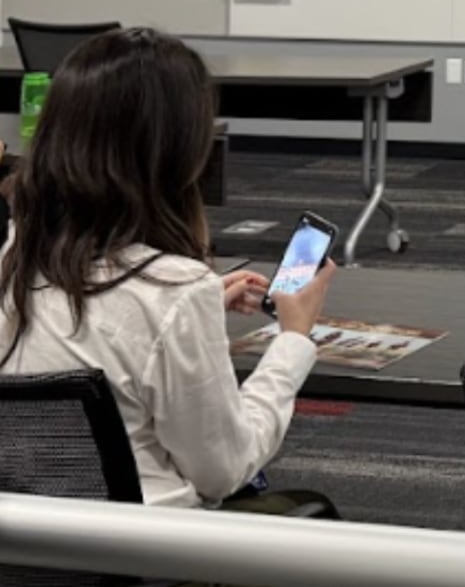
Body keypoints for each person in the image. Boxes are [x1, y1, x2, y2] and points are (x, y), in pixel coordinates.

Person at [0, 28, 337, 512]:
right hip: (146, 558)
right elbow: (223, 469)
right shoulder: (175, 291)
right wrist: (294, 341)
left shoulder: (15, 254)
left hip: (30, 549)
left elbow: (95, 334)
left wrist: (183, 311)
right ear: (178, 150)